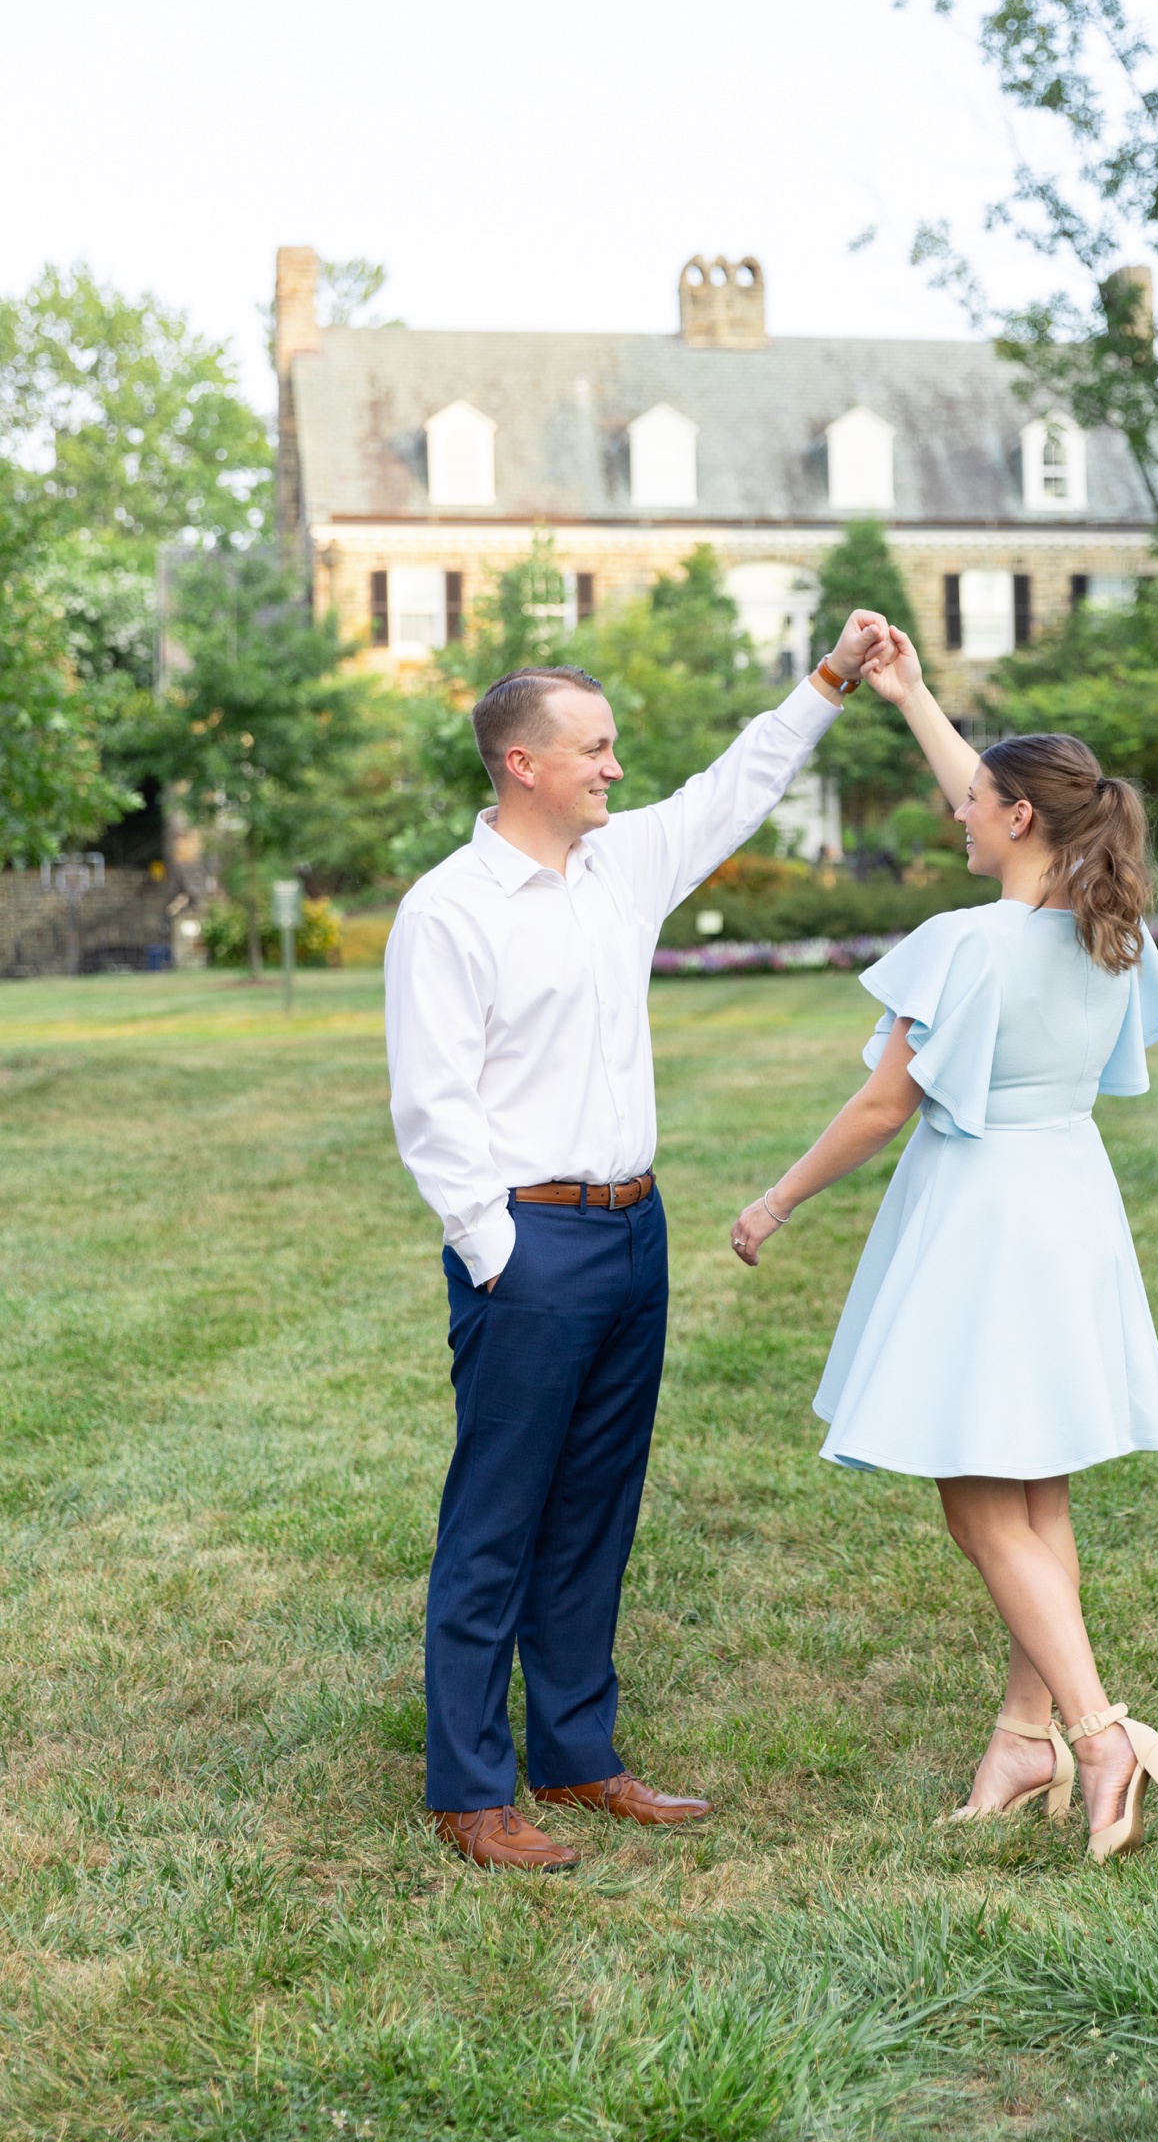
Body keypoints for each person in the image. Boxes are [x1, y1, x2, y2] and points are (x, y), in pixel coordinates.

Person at [386, 610, 890, 1873]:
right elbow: (433, 1107)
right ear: (523, 765)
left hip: (634, 1233)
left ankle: (575, 1755)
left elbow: (739, 786)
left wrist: (828, 678)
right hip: (531, 1247)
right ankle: (469, 1788)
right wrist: (492, 1250)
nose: (616, 768)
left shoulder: (623, 868)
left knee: (598, 1510)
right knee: (495, 1520)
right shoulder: (449, 912)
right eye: (595, 749)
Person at [730, 625, 1158, 1863]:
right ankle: (1020, 1733)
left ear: (1019, 822)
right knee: (1033, 1491)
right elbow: (992, 801)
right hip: (1068, 1204)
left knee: (980, 1508)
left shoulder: (965, 945)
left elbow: (886, 1104)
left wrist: (774, 1202)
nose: (957, 819)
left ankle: (1099, 1736)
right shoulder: (1110, 932)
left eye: (974, 808)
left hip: (980, 1221)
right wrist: (914, 698)